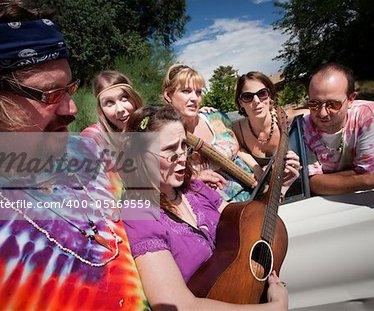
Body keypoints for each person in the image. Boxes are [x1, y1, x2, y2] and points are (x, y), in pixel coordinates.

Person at [0, 0, 147, 309]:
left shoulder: (86, 150)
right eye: (50, 94)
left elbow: (147, 221)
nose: (72, 110)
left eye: (70, 89)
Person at [123, 105, 289, 310]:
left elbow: (249, 223)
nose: (182, 157)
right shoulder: (139, 214)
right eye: (169, 150)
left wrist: (282, 186)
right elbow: (177, 306)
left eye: (183, 145)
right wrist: (273, 308)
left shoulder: (195, 189)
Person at [162, 64, 300, 202]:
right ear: (168, 95)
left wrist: (257, 170)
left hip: (259, 190)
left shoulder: (216, 117)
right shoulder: (163, 136)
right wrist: (193, 178)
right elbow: (156, 178)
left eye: (198, 92)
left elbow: (238, 148)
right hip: (224, 208)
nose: (194, 98)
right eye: (186, 91)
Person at [302, 62, 374, 195]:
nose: (322, 113)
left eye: (332, 104)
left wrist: (327, 180)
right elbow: (314, 184)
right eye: (314, 104)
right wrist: (371, 179)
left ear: (350, 99)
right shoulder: (303, 127)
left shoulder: (369, 116)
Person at [233, 71, 305, 182]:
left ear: (270, 96)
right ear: (241, 102)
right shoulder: (237, 130)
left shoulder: (287, 119)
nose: (256, 101)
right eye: (248, 96)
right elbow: (236, 149)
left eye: (262, 93)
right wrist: (256, 168)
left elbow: (317, 114)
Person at [81, 70, 143, 147]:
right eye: (109, 103)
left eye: (124, 98)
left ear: (134, 98)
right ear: (101, 109)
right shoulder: (93, 137)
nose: (120, 109)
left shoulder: (151, 126)